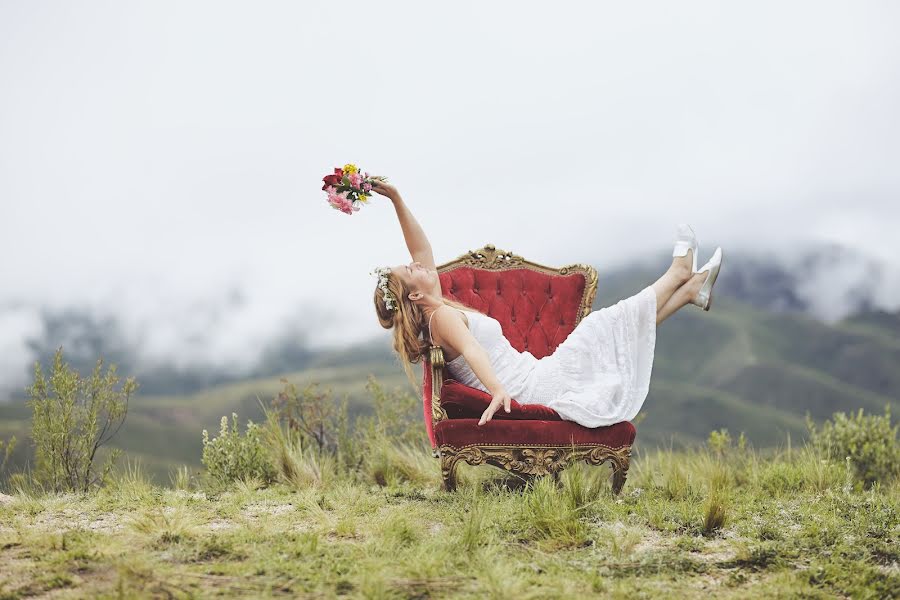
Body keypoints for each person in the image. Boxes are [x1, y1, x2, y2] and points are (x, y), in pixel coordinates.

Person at [370, 179, 723, 428]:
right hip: (532, 388)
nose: (415, 263)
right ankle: (679, 274)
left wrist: (396, 199)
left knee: (610, 334)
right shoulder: (441, 316)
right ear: (413, 295)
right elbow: (473, 349)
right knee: (602, 327)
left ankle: (690, 291)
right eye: (409, 269)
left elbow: (421, 250)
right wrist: (497, 391)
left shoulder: (435, 305)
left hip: (536, 375)